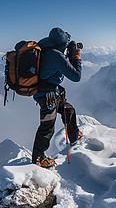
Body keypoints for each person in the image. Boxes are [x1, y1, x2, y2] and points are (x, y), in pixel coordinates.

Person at [32, 27, 82, 168]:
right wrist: (76, 55)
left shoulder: (46, 49)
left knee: (68, 110)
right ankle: (38, 158)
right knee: (47, 126)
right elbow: (76, 76)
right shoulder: (55, 55)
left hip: (51, 92)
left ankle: (74, 136)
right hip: (47, 95)